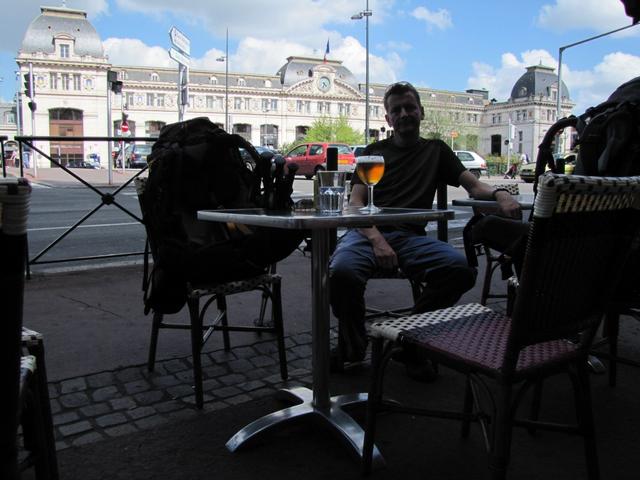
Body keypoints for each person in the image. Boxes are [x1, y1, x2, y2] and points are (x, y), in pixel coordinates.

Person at [329, 81, 520, 379]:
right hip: (366, 233)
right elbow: (355, 204)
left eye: (410, 107)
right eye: (397, 110)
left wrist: (500, 194)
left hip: (409, 238)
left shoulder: (436, 151)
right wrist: (377, 238)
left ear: (421, 112)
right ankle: (353, 348)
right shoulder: (373, 152)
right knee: (342, 272)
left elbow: (474, 185)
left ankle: (409, 339)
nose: (404, 113)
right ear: (388, 119)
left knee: (459, 269)